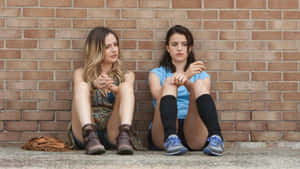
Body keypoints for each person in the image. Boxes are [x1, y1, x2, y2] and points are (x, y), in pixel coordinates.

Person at [148, 25, 224, 156]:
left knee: (199, 84)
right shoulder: (156, 73)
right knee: (169, 83)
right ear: (167, 48)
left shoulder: (202, 75)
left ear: (189, 48)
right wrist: (184, 76)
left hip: (194, 128)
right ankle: (171, 138)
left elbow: (203, 100)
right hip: (163, 130)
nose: (179, 48)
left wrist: (186, 78)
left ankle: (216, 137)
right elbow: (157, 95)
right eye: (174, 44)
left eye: (184, 44)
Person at [68, 27, 135, 155]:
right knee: (82, 87)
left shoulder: (126, 75)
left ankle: (125, 134)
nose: (114, 49)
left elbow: (126, 95)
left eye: (115, 45)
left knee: (125, 87)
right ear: (96, 50)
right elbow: (80, 91)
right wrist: (93, 85)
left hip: (113, 131)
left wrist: (115, 89)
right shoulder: (81, 73)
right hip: (85, 132)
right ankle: (91, 135)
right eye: (108, 46)